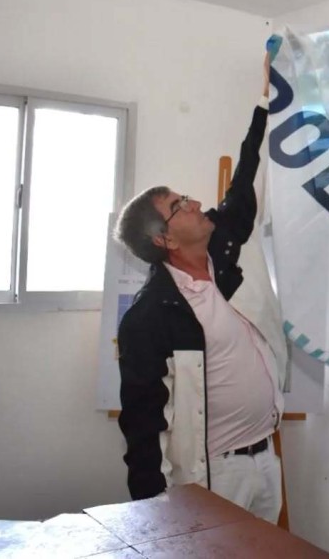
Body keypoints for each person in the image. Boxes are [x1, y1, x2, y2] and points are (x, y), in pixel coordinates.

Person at [113, 45, 287, 523]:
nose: (193, 203)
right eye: (178, 206)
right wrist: (151, 515)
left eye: (185, 196)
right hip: (214, 479)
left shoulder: (224, 253)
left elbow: (245, 177)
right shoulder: (151, 317)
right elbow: (142, 424)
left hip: (266, 462)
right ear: (164, 238)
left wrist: (265, 100)